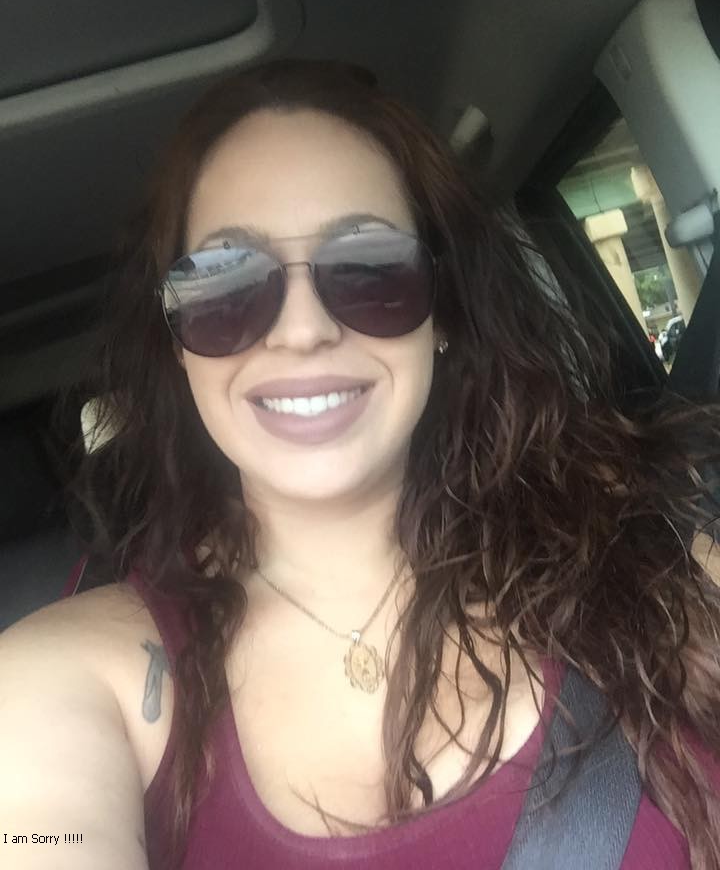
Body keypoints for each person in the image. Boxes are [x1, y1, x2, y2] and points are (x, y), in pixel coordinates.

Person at [1, 59, 720, 870]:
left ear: (441, 313)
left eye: (370, 268)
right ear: (177, 343)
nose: (303, 330)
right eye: (223, 284)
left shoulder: (653, 555)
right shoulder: (58, 681)